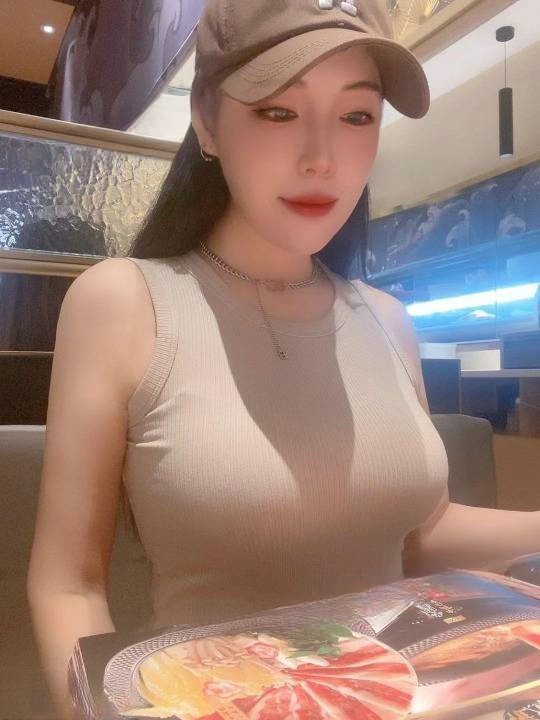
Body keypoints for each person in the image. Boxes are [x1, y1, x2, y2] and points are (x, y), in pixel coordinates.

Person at [27, 1, 540, 719]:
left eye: (356, 115)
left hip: (395, 694)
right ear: (208, 121)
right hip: (211, 698)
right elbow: (68, 584)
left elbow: (422, 537)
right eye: (278, 111)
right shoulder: (125, 302)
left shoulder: (387, 319)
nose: (322, 157)